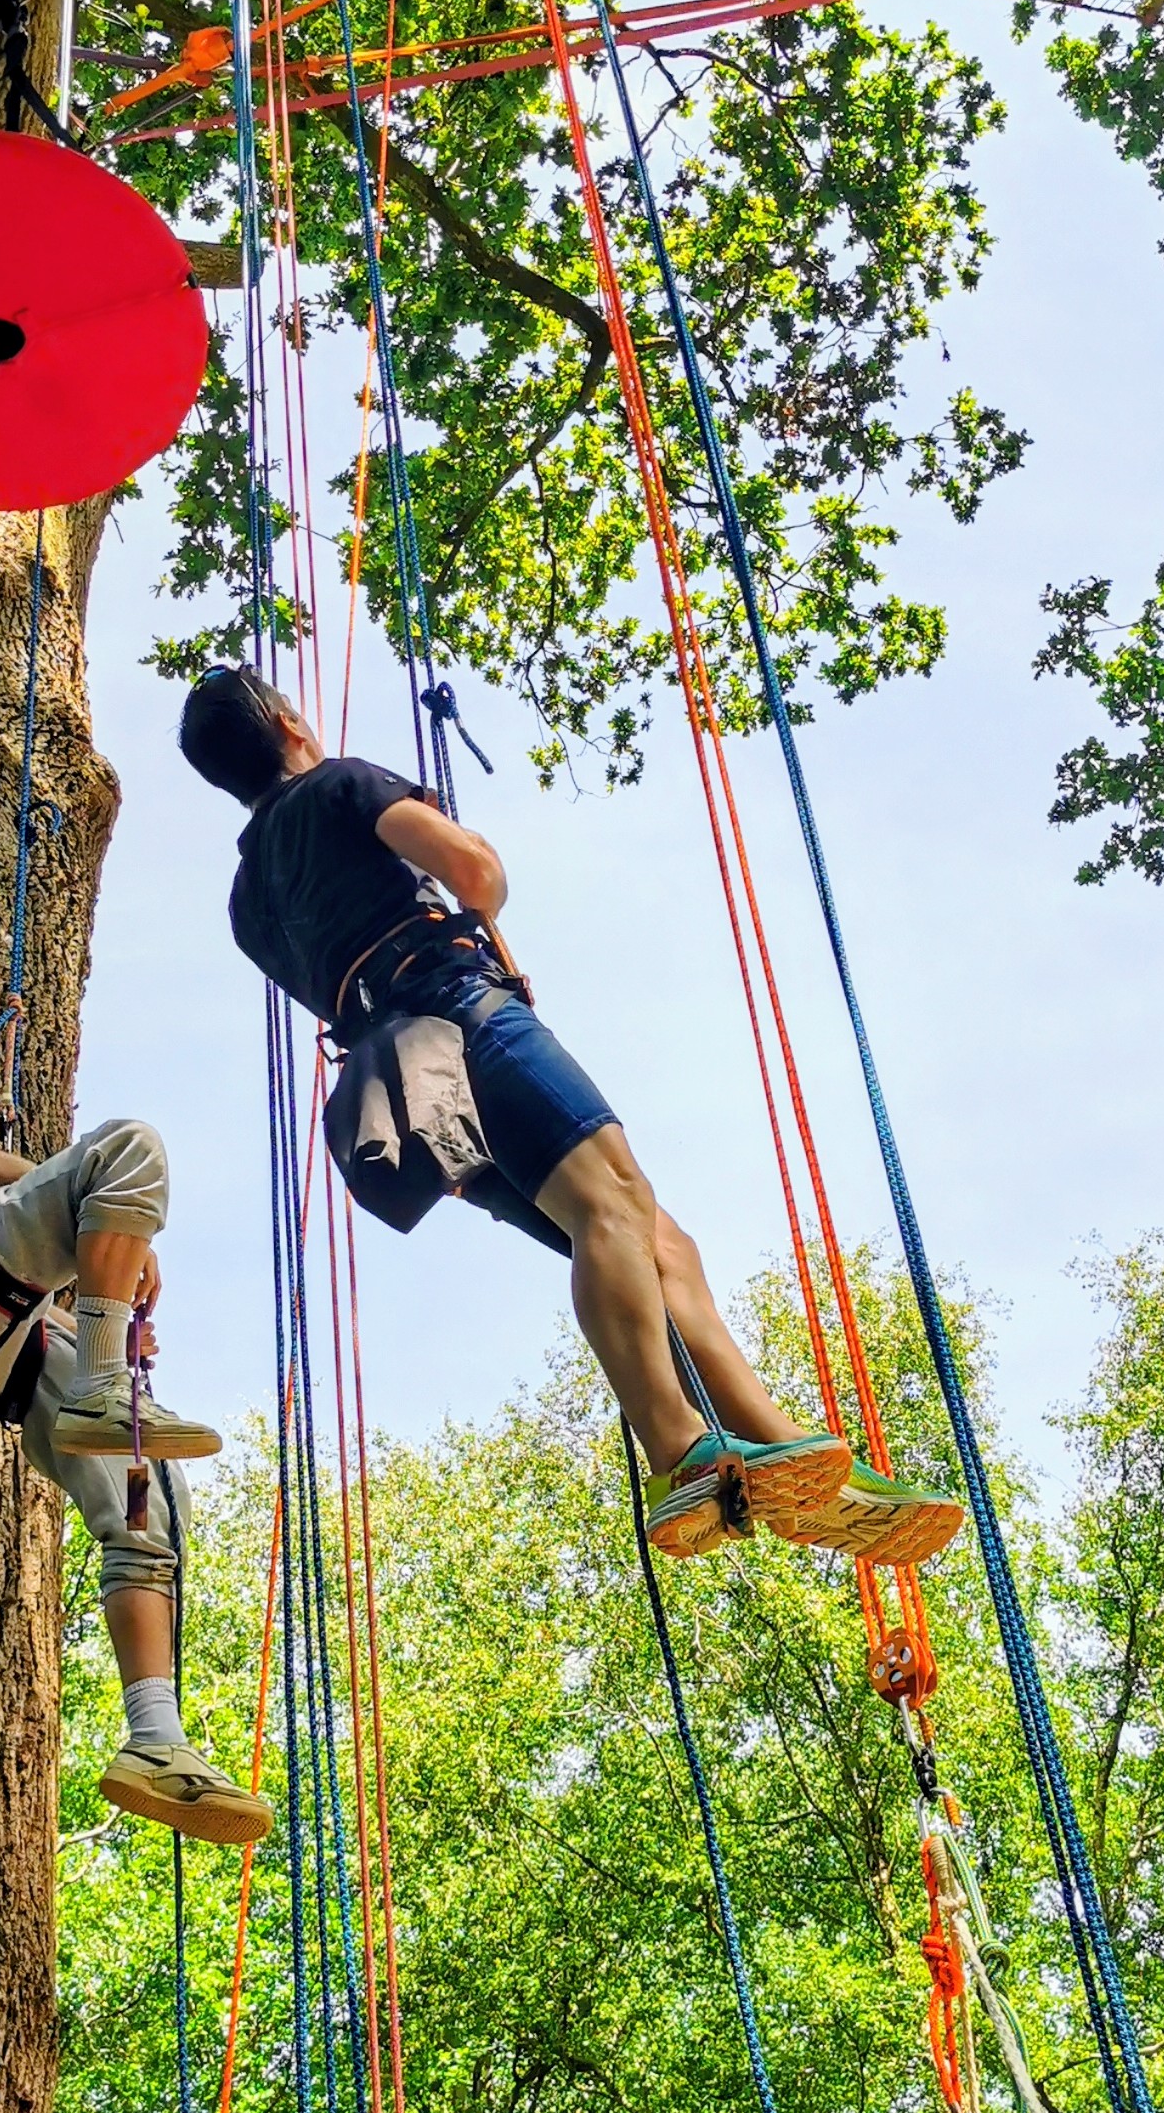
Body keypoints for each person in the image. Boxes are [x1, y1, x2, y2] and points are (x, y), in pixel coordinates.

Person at [177, 668, 968, 1569]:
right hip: (459, 1011)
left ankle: (778, 1445)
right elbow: (474, 873)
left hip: (404, 1094)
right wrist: (466, 862)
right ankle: (679, 1450)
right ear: (286, 722)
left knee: (657, 1242)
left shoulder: (247, 905)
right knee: (613, 1204)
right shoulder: (341, 783)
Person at [0, 975, 272, 1844]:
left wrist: (106, 1285)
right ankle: (102, 1388)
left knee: (148, 1494)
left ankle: (155, 1739)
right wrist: (94, 1201)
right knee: (126, 1149)